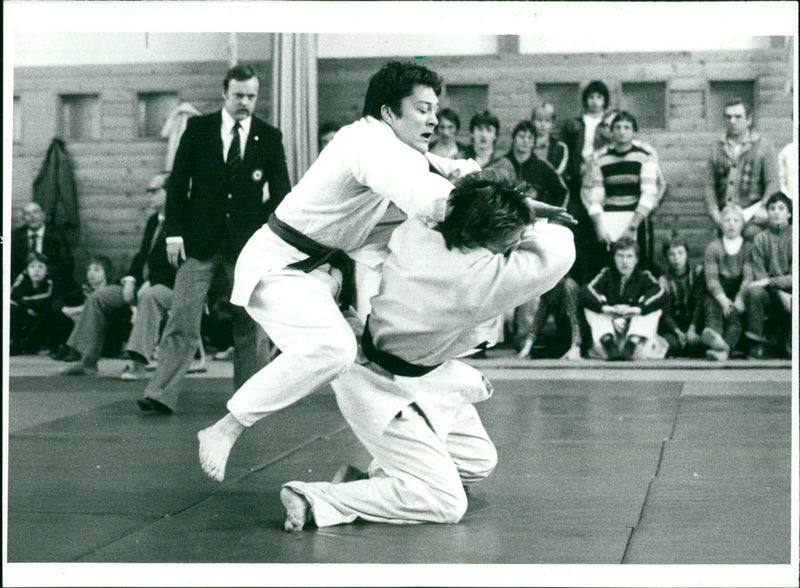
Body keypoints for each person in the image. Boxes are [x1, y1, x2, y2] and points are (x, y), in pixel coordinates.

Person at [195, 60, 483, 482]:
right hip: (280, 266)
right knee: (334, 349)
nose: (434, 120)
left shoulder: (396, 148)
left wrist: (513, 202)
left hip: (326, 274)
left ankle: (388, 466)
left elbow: (447, 170)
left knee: (383, 348)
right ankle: (225, 427)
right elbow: (426, 194)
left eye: (434, 109)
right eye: (422, 109)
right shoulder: (365, 145)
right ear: (388, 112)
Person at [277, 171, 576, 532]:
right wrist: (529, 221)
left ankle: (371, 483)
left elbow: (450, 196)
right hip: (377, 385)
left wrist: (507, 209)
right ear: (484, 241)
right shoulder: (476, 283)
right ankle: (314, 496)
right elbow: (562, 248)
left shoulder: (421, 230)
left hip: (420, 370)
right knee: (448, 502)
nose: (511, 251)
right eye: (507, 245)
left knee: (477, 460)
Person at [137, 64, 291, 414]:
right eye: (238, 95)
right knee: (182, 317)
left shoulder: (268, 136)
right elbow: (177, 185)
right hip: (199, 241)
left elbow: (283, 193)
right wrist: (173, 235)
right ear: (225, 93)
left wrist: (274, 240)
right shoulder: (198, 129)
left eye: (251, 96)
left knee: (250, 324)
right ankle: (160, 393)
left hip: (247, 246)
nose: (245, 102)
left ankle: (249, 399)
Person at [583, 111, 665, 275]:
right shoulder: (601, 157)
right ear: (611, 131)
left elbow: (649, 193)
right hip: (609, 220)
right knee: (607, 267)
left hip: (637, 219)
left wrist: (633, 226)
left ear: (634, 131)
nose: (622, 131)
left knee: (639, 267)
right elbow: (595, 196)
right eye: (618, 127)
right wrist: (599, 226)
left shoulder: (645, 155)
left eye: (627, 127)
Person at [705, 98, 780, 240]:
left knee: (755, 241)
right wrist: (715, 215)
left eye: (738, 116)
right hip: (724, 219)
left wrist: (763, 208)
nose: (732, 121)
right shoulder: (716, 147)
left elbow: (773, 184)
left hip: (752, 220)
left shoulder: (764, 146)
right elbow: (709, 186)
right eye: (728, 117)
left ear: (749, 119)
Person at [582, 237, 666, 361]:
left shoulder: (644, 277)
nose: (624, 261)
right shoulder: (607, 274)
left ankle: (630, 345)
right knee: (592, 307)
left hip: (637, 345)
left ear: (636, 260)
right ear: (614, 258)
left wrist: (638, 309)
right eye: (620, 256)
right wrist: (605, 307)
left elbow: (661, 293)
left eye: (629, 256)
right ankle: (609, 343)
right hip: (609, 346)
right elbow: (586, 291)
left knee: (653, 309)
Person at [561, 80, 611, 285]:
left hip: (599, 183)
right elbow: (563, 149)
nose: (594, 102)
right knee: (576, 228)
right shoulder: (574, 124)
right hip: (575, 181)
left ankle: (597, 281)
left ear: (604, 101)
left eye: (599, 97)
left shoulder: (609, 124)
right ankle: (577, 281)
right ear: (585, 100)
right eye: (591, 97)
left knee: (597, 231)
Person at [743, 191, 792, 359]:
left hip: (792, 293)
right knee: (754, 292)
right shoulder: (761, 239)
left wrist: (774, 283)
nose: (776, 212)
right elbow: (759, 275)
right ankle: (756, 343)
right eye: (772, 208)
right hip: (772, 294)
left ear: (789, 213)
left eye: (781, 208)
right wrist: (778, 292)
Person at [701, 204, 750, 361]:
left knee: (735, 317)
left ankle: (723, 349)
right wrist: (722, 299)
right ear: (721, 224)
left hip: (738, 290)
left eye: (736, 220)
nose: (731, 224)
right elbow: (712, 279)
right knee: (712, 307)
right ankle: (714, 335)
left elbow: (749, 276)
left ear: (742, 224)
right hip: (719, 290)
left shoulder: (748, 247)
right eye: (727, 220)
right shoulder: (713, 247)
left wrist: (741, 297)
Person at [489, 120, 568, 207]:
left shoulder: (542, 166)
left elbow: (562, 192)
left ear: (534, 142)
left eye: (530, 138)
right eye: (521, 136)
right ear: (514, 138)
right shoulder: (500, 164)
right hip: (505, 217)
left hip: (535, 218)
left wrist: (547, 208)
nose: (525, 141)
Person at [10, 252, 75, 356]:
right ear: (26, 271)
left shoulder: (50, 282)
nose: (36, 270)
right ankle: (14, 343)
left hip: (42, 318)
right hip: (25, 318)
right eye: (32, 267)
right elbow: (13, 296)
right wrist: (27, 307)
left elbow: (48, 298)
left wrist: (27, 305)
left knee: (55, 316)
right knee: (11, 309)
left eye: (40, 267)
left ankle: (52, 346)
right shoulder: (22, 280)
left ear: (47, 271)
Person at [11, 201, 76, 298]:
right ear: (23, 218)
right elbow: (11, 264)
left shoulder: (57, 234)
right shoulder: (16, 235)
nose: (32, 217)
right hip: (24, 284)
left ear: (43, 215)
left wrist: (43, 273)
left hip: (52, 281)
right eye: (28, 214)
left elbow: (67, 263)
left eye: (36, 212)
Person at [657, 240, 705, 358]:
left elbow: (699, 303)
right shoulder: (664, 280)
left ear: (687, 254)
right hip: (675, 327)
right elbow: (665, 312)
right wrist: (678, 332)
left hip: (695, 324)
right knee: (672, 345)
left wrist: (692, 329)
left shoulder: (696, 274)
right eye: (671, 254)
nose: (676, 258)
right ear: (666, 257)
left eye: (680, 253)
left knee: (698, 341)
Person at [531, 103, 568, 177]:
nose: (543, 124)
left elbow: (558, 173)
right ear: (532, 121)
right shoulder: (526, 144)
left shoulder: (560, 147)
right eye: (539, 120)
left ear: (552, 124)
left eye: (547, 121)